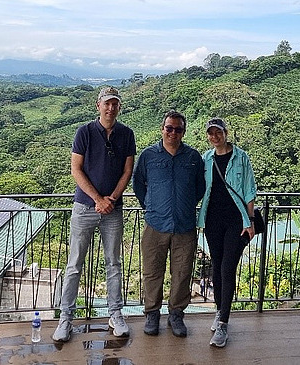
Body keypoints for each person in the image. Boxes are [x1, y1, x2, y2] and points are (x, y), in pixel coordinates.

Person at [52, 86, 136, 342]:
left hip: (113, 209)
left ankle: (115, 314)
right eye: (106, 103)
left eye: (115, 104)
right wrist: (98, 199)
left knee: (113, 264)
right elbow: (76, 170)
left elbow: (127, 172)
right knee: (74, 264)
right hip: (85, 207)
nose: (111, 108)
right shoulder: (85, 132)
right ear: (98, 105)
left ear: (119, 107)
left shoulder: (126, 134)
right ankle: (65, 318)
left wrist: (110, 199)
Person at [132, 110, 205, 337]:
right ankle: (152, 313)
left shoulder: (193, 157)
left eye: (178, 129)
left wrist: (183, 204)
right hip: (155, 224)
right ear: (162, 129)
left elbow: (200, 188)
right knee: (153, 272)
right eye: (169, 128)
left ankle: (176, 314)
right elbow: (138, 184)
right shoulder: (148, 156)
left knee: (182, 273)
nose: (173, 132)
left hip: (184, 226)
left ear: (184, 132)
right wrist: (151, 206)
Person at [197, 117, 257, 348]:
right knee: (217, 266)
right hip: (212, 220)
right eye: (211, 133)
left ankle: (223, 323)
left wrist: (250, 220)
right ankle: (220, 310)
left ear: (226, 133)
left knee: (227, 267)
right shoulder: (206, 158)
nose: (215, 136)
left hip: (236, 220)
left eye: (218, 132)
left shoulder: (241, 157)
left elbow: (249, 189)